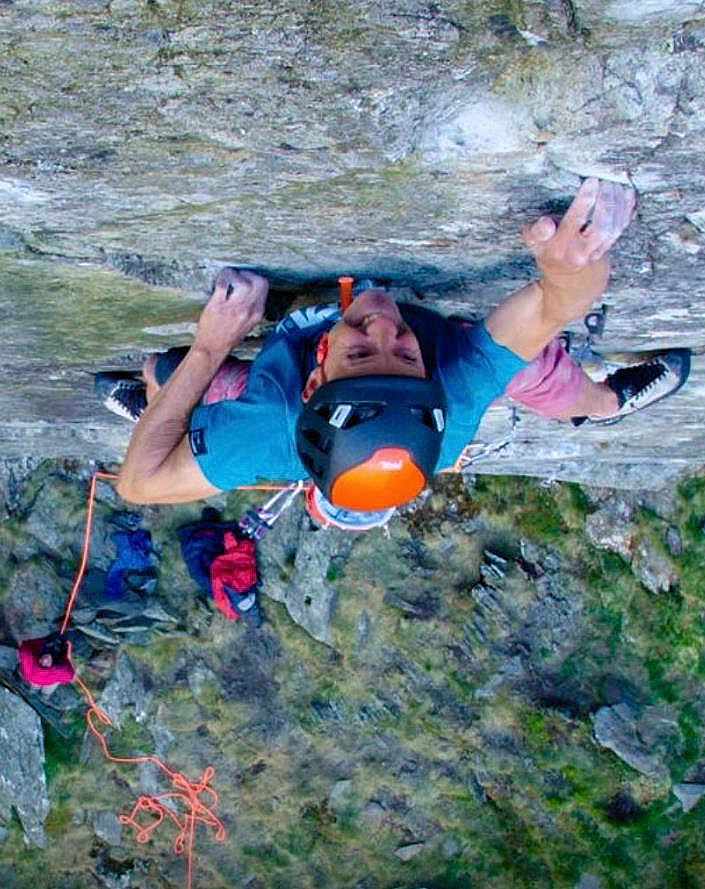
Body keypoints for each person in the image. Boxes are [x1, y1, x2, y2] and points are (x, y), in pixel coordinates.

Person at [97, 179, 690, 529]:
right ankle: (606, 403)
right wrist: (572, 269)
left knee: (165, 373)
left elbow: (137, 483)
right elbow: (554, 307)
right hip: (455, 356)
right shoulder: (450, 400)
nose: (383, 326)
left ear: (312, 385)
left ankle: (168, 416)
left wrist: (210, 347)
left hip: (264, 400)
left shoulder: (263, 429)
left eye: (358, 356)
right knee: (536, 372)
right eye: (404, 355)